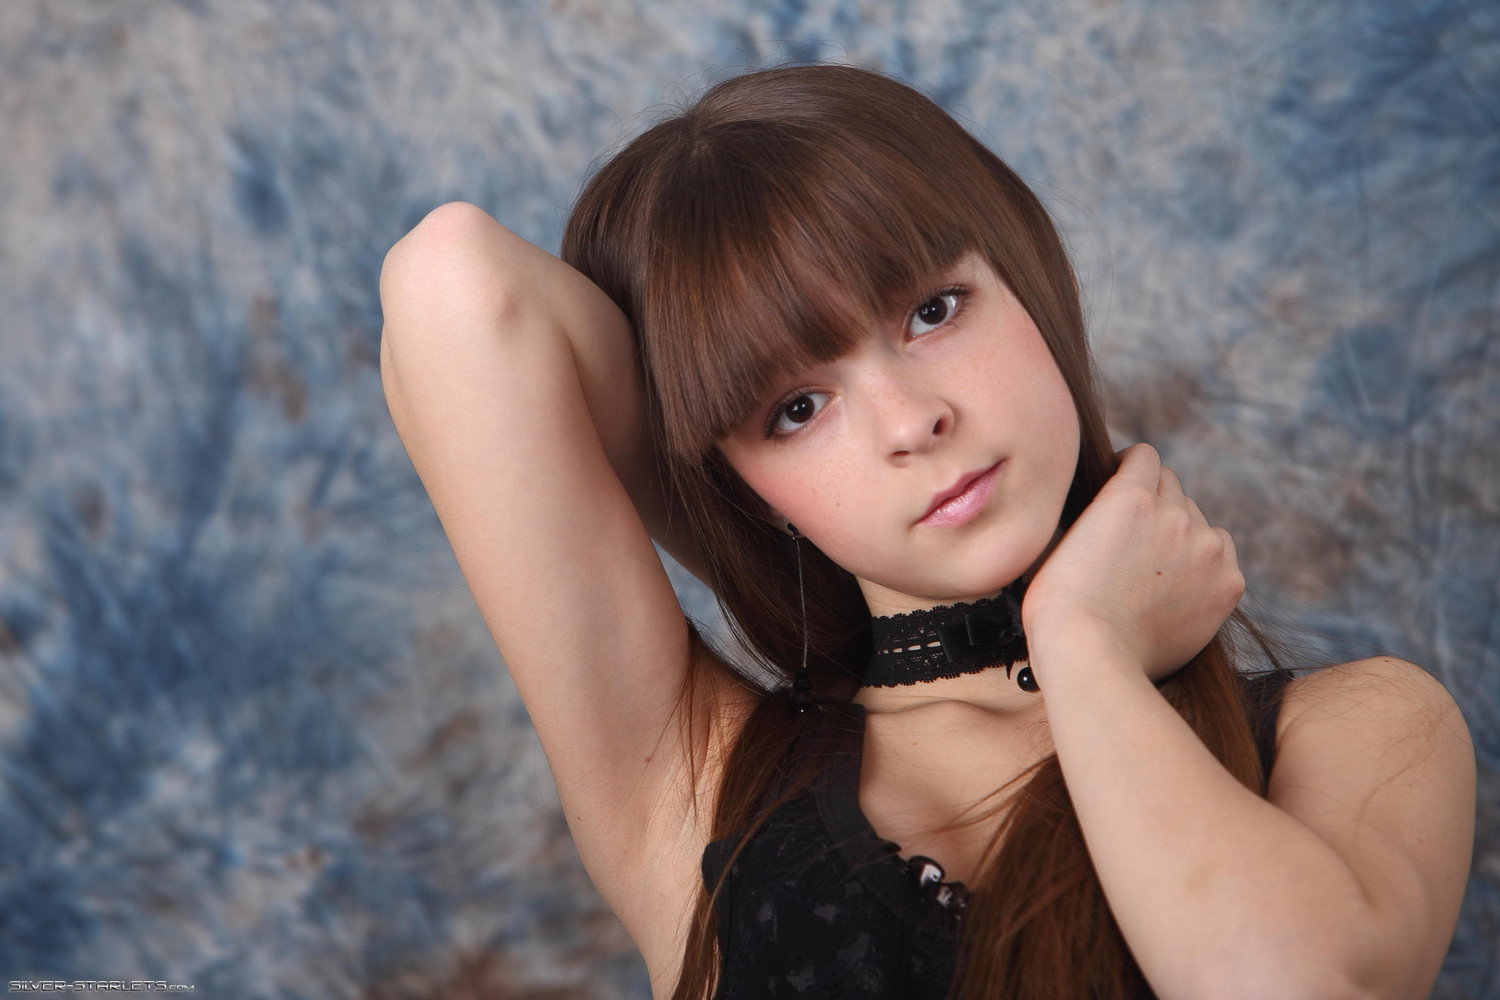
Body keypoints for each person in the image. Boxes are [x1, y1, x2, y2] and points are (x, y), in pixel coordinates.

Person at [376, 64, 1475, 999]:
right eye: (795, 410)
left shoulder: (1368, 728)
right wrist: (734, 498)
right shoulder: (697, 787)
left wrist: (1083, 645)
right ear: (750, 489)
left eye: (931, 311)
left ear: (1030, 280)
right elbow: (453, 287)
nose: (911, 422)